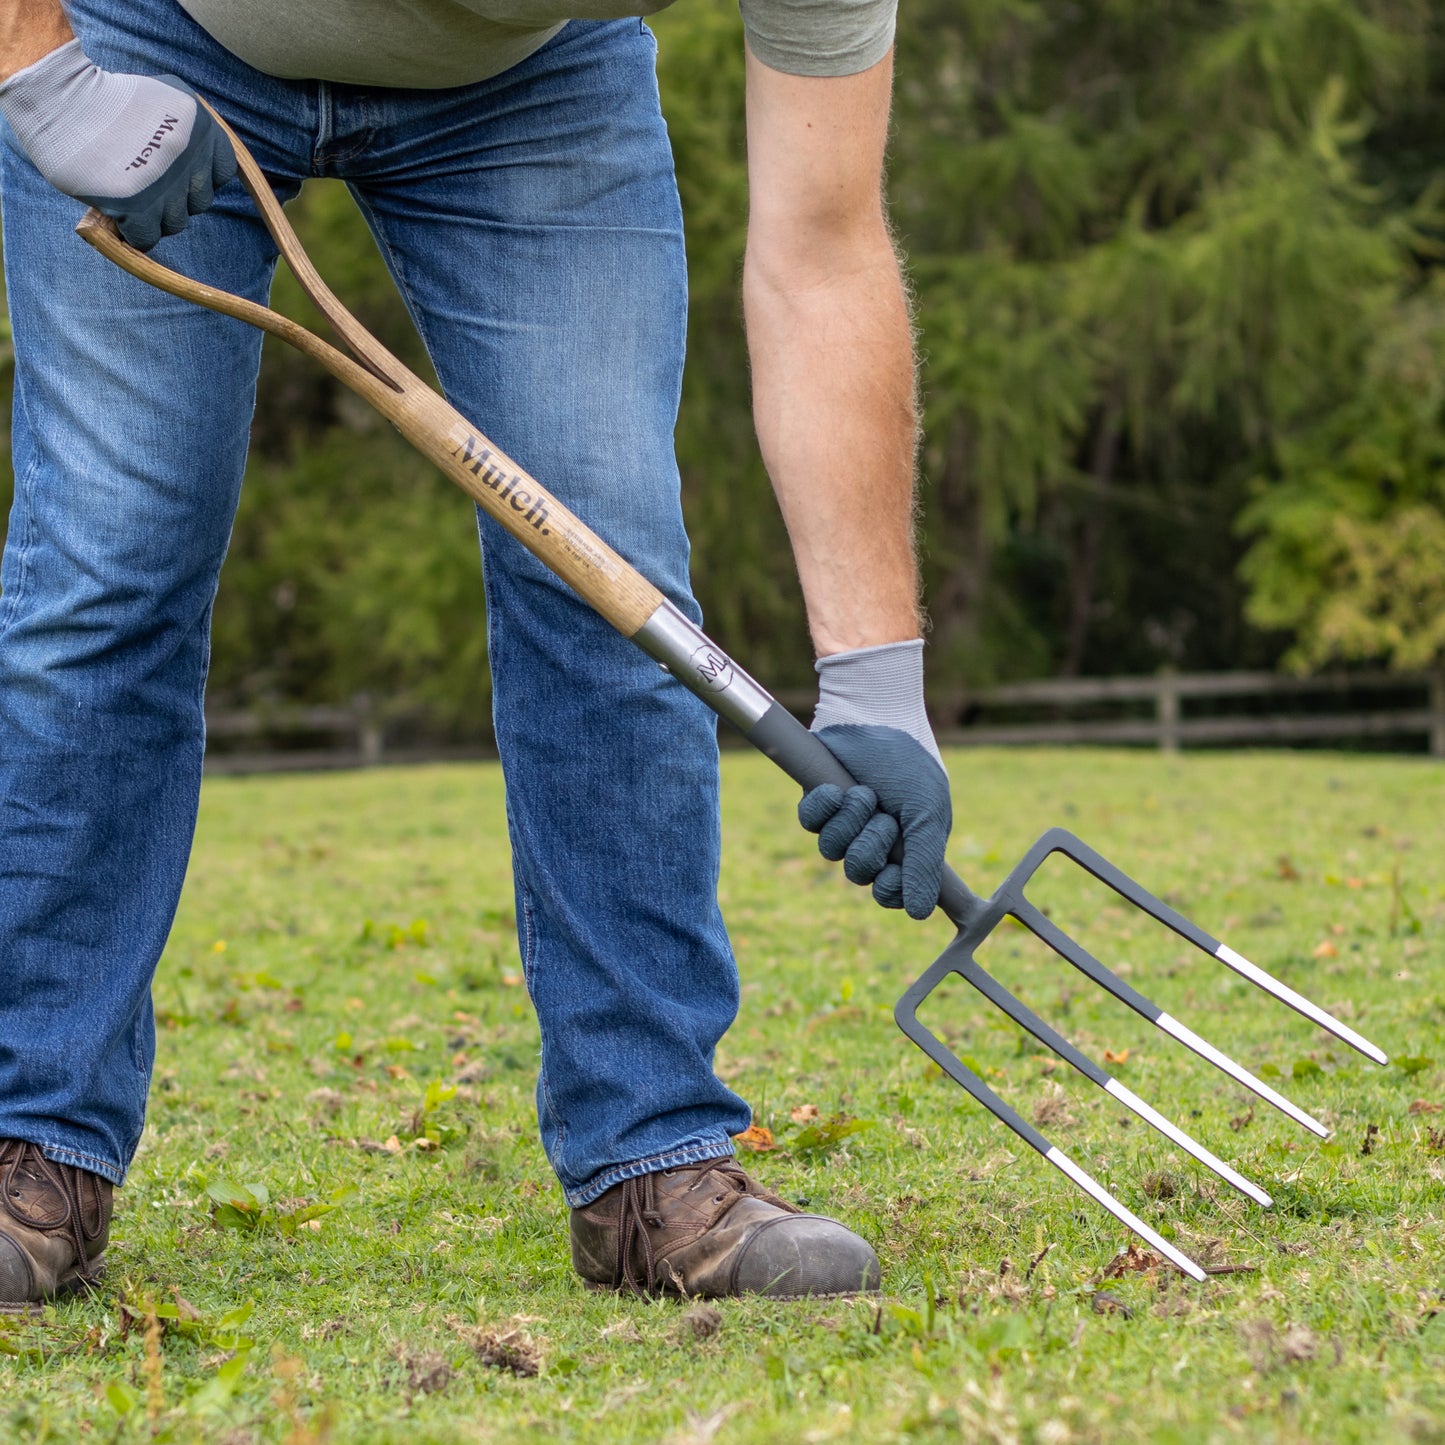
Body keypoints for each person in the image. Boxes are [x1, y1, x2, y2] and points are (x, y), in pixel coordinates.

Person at [0, 0, 951, 1309]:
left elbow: (824, 247)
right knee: (115, 558)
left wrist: (875, 677)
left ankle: (650, 1161)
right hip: (152, 30)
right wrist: (39, 71)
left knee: (608, 566)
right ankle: (29, 1139)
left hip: (524, 85)